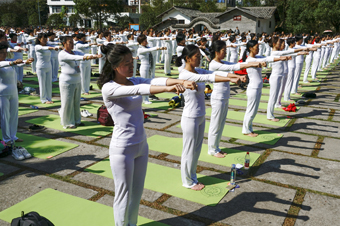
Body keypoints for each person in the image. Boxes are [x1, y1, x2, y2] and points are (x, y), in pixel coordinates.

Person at [98, 44, 197, 226]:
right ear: (114, 66)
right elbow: (139, 90)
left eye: (132, 61)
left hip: (141, 145)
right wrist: (169, 89)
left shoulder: (133, 80)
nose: (131, 65)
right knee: (123, 194)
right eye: (126, 63)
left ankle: (132, 223)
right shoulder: (109, 88)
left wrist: (180, 82)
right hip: (123, 149)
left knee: (137, 193)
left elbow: (155, 81)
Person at [176, 45, 242, 190]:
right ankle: (187, 181)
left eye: (200, 56)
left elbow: (213, 73)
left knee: (197, 150)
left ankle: (192, 177)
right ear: (187, 58)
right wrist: (232, 79)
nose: (200, 59)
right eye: (196, 57)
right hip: (190, 118)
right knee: (189, 150)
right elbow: (209, 77)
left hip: (200, 115)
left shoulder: (197, 70)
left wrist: (235, 76)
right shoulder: (184, 75)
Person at [208, 40, 262, 157]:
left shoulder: (222, 62)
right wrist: (251, 65)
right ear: (216, 52)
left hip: (225, 96)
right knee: (215, 124)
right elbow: (232, 69)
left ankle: (216, 147)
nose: (225, 53)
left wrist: (240, 74)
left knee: (221, 124)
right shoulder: (213, 64)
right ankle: (212, 149)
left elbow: (236, 66)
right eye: (223, 51)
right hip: (218, 98)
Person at [242, 40, 289, 137]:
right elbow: (258, 62)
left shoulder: (257, 57)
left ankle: (249, 129)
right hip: (253, 88)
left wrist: (282, 58)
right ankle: (246, 130)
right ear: (250, 48)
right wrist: (281, 58)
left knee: (254, 111)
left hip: (258, 87)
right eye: (256, 47)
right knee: (250, 110)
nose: (258, 49)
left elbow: (269, 58)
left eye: (259, 47)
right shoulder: (250, 60)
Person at [58, 36, 101, 129]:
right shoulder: (62, 54)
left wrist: (94, 56)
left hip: (77, 80)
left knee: (76, 102)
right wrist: (87, 57)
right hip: (67, 81)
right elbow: (76, 58)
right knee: (67, 102)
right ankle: (68, 122)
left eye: (73, 42)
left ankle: (77, 120)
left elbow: (82, 54)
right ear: (64, 43)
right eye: (70, 42)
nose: (72, 44)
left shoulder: (75, 51)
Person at [0, 41, 34, 159]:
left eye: (5, 52)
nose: (4, 54)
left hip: (13, 92)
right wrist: (13, 62)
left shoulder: (10, 63)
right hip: (2, 94)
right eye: (2, 53)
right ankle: (7, 139)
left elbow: (17, 64)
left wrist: (26, 61)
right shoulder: (5, 63)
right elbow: (5, 64)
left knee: (14, 115)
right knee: (5, 117)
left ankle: (13, 136)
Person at [137, 34, 166, 104]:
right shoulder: (140, 49)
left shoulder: (146, 47)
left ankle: (148, 96)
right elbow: (150, 49)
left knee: (148, 83)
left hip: (149, 67)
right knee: (144, 84)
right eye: (145, 41)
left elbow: (150, 49)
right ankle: (144, 99)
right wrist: (158, 48)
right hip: (144, 68)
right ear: (141, 42)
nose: (146, 42)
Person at [35, 33, 61, 104]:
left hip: (49, 67)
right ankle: (43, 99)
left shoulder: (48, 45)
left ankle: (49, 98)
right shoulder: (37, 46)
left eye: (46, 39)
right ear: (39, 39)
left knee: (49, 83)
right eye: (43, 39)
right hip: (41, 67)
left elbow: (54, 45)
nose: (45, 40)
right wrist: (52, 48)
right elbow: (44, 48)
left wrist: (60, 47)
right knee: (42, 84)